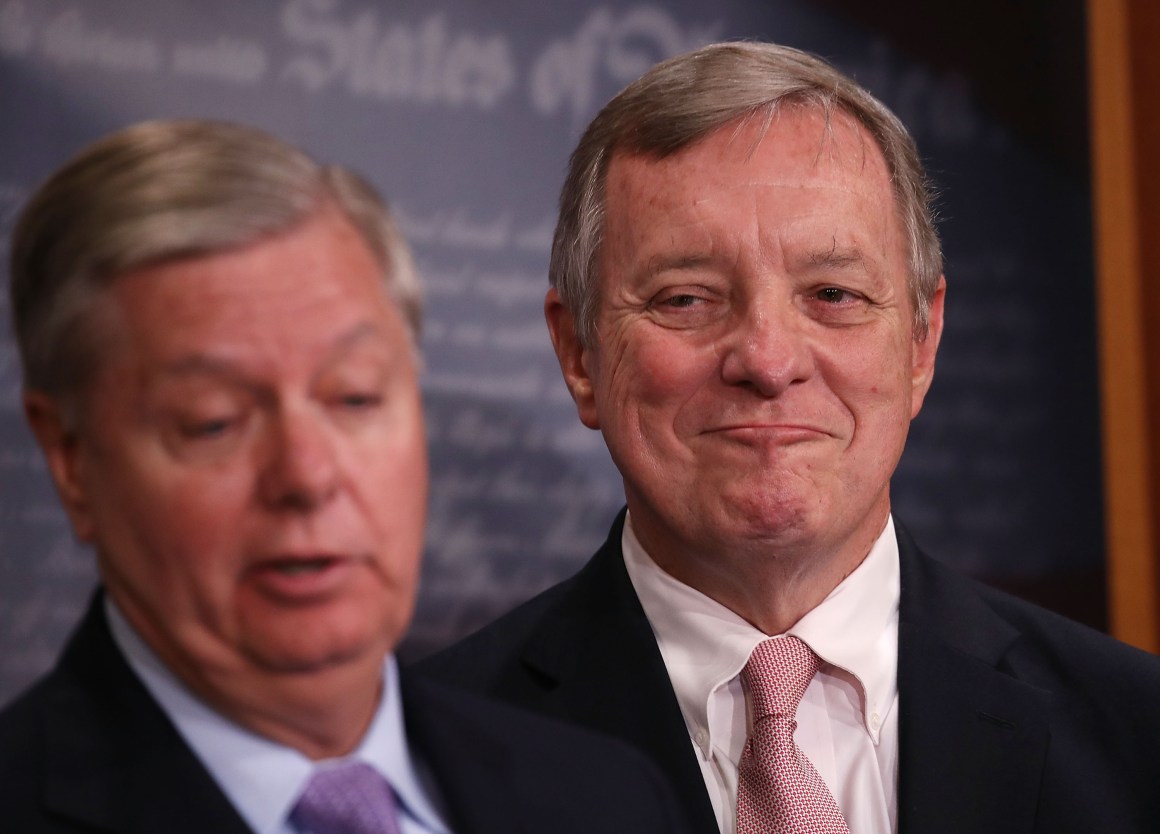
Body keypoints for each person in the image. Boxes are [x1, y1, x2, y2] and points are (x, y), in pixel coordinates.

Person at [419, 41, 1160, 833]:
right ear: (579, 356)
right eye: (685, 299)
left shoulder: (1141, 740)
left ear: (921, 343)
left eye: (833, 293)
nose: (769, 362)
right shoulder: (424, 768)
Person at [0, 119, 691, 834]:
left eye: (355, 397)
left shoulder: (605, 800)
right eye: (213, 422)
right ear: (71, 461)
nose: (306, 474)